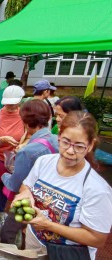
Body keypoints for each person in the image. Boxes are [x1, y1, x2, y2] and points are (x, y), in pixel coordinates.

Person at [15, 111, 112, 260]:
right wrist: (25, 195)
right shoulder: (44, 162)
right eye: (65, 142)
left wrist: (48, 226)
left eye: (79, 146)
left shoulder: (97, 189)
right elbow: (26, 186)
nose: (70, 151)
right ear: (58, 137)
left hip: (67, 253)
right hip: (34, 242)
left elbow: (97, 239)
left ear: (91, 145)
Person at [2, 99, 59, 193]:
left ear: (25, 123)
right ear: (49, 118)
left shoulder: (26, 152)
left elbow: (15, 186)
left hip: (33, 198)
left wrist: (4, 175)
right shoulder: (58, 140)